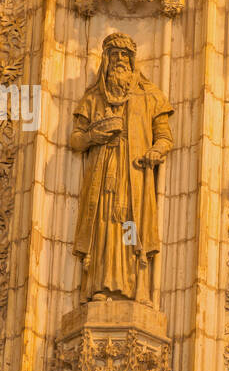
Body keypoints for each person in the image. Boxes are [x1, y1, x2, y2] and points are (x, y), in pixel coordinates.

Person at [70, 33, 173, 304]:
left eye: (124, 58)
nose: (119, 62)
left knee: (131, 227)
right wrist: (94, 136)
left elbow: (164, 136)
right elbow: (76, 139)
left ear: (132, 63)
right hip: (103, 178)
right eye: (114, 57)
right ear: (106, 61)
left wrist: (155, 151)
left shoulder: (149, 96)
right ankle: (101, 285)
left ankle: (136, 288)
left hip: (135, 178)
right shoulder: (94, 98)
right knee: (104, 227)